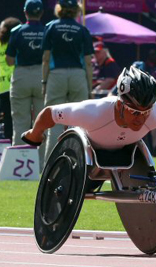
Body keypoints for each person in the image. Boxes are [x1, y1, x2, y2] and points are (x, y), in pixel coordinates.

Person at [22, 66, 156, 164]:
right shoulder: (92, 112)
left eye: (146, 112)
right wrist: (35, 134)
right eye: (135, 112)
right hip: (86, 154)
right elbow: (49, 113)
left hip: (125, 154)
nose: (141, 118)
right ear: (119, 105)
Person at [41, 0, 94, 164]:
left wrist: (44, 81)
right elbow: (88, 62)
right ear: (76, 10)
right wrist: (89, 86)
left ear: (59, 9)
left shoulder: (50, 26)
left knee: (54, 121)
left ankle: (50, 164)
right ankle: (77, 163)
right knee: (79, 122)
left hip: (57, 75)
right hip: (78, 75)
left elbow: (45, 58)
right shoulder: (82, 29)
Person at [6, 0, 45, 148]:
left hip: (21, 75)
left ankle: (18, 161)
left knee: (20, 121)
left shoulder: (16, 31)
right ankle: (42, 164)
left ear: (25, 12)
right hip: (41, 75)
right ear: (41, 13)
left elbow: (9, 60)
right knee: (43, 122)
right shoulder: (46, 30)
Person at [0, 17, 21, 140]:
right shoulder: (16, 45)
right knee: (21, 117)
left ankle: (10, 143)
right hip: (17, 84)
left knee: (7, 118)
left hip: (3, 87)